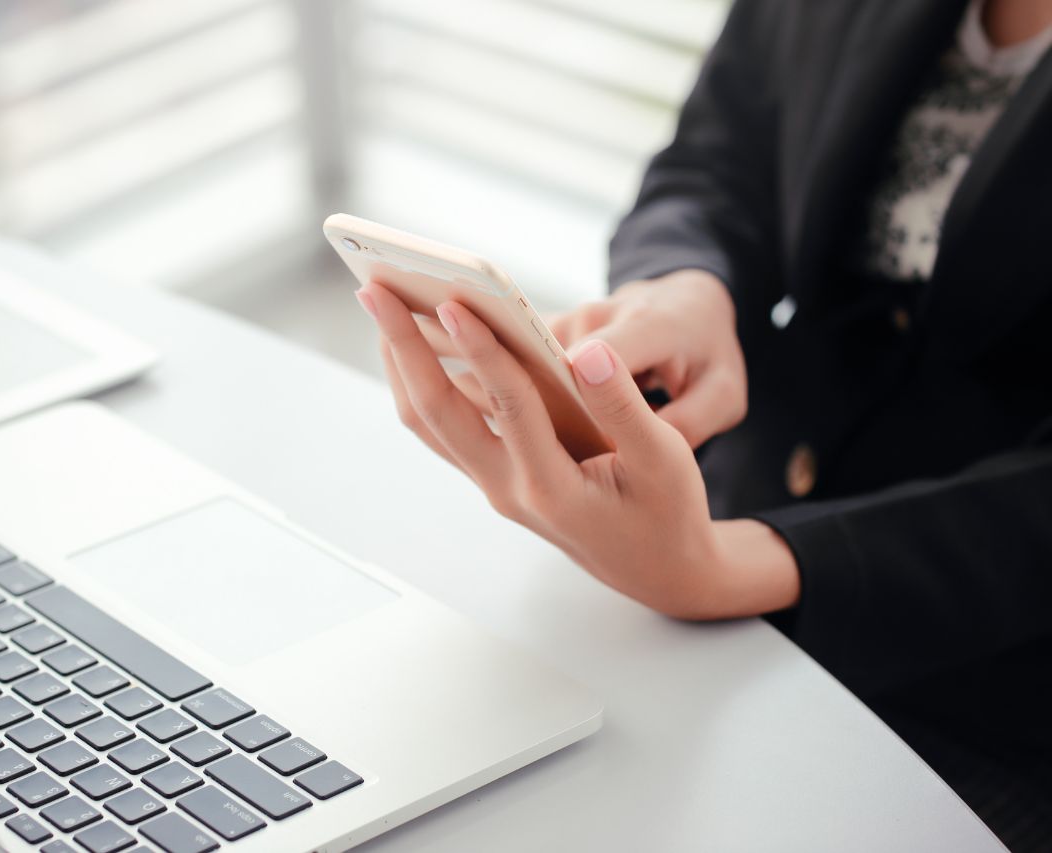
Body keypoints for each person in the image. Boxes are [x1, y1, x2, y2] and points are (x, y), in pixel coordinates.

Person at [352, 0, 1052, 848]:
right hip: (723, 528)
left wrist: (727, 569)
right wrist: (687, 284)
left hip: (988, 702)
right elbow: (716, 163)